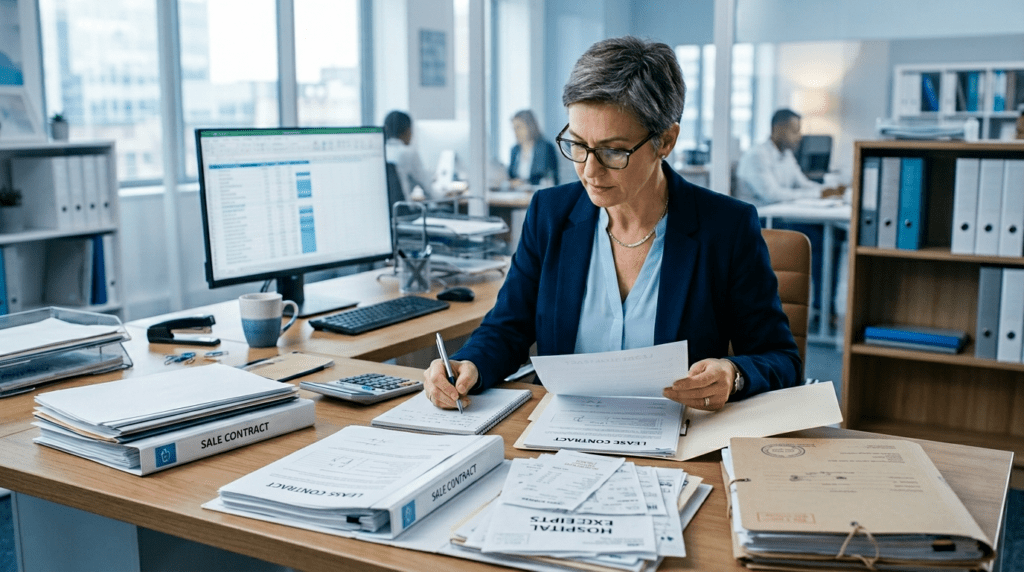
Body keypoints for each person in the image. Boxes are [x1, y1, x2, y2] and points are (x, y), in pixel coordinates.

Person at [424, 36, 800, 413]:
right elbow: (507, 328)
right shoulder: (549, 214)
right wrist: (469, 363)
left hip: (679, 444)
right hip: (561, 442)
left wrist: (734, 374)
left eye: (613, 150)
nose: (589, 170)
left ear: (666, 141)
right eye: (577, 144)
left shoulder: (726, 228)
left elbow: (781, 358)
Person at [736, 108, 845, 315]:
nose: (799, 136)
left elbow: (802, 184)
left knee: (835, 234)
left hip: (782, 216)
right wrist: (816, 196)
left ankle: (823, 307)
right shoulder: (757, 156)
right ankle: (822, 308)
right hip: (761, 221)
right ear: (778, 129)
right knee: (818, 238)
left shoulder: (785, 155)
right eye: (794, 130)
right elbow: (772, 194)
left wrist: (826, 191)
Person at [383, 110, 432, 200]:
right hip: (406, 210)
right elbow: (427, 188)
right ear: (407, 130)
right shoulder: (408, 152)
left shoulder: (382, 152)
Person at [508, 109, 559, 188]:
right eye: (514, 128)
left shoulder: (546, 147)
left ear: (530, 126)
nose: (515, 132)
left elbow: (551, 178)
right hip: (517, 195)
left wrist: (525, 183)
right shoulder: (515, 150)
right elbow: (511, 177)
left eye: (519, 127)